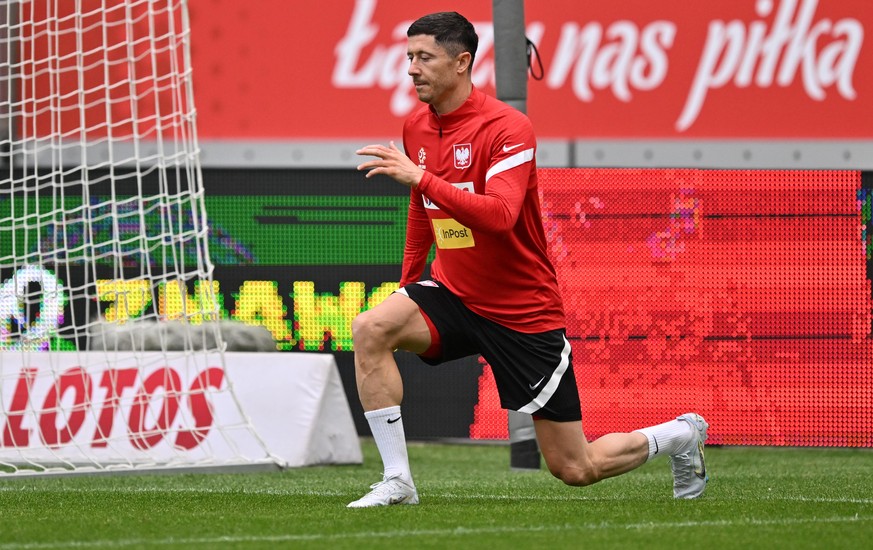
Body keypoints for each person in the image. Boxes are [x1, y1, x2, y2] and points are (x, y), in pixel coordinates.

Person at [348, 11, 708, 508]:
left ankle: (680, 435)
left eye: (424, 57)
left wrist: (421, 179)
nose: (411, 68)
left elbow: (499, 215)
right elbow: (422, 210)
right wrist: (408, 284)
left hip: (522, 312)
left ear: (462, 62)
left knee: (575, 467)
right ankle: (398, 482)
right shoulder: (416, 127)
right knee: (370, 328)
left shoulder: (508, 127)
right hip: (453, 293)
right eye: (408, 56)